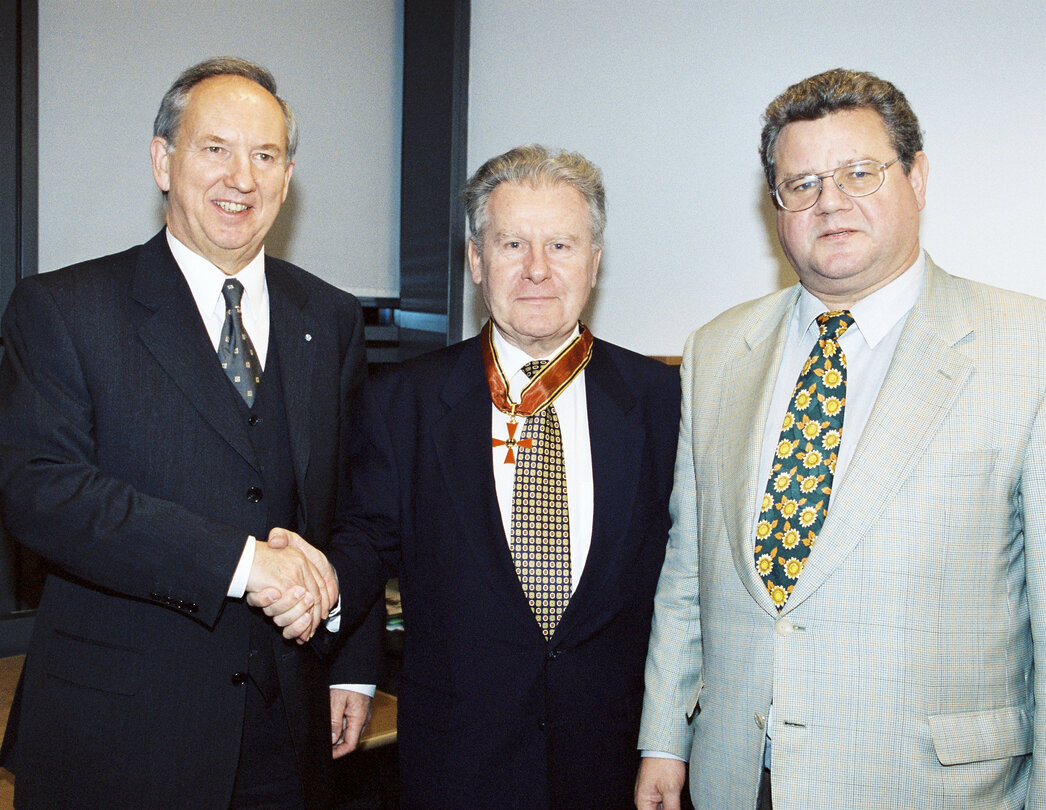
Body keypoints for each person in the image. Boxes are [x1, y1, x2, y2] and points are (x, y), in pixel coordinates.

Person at [635, 67, 1046, 810]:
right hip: (737, 776)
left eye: (860, 172)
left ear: (917, 177)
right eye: (803, 184)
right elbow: (688, 568)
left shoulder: (1028, 348)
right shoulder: (718, 349)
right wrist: (664, 739)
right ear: (777, 207)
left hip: (938, 789)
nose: (831, 202)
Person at [0, 57, 380, 808]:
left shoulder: (331, 319)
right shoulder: (64, 309)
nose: (242, 176)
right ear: (163, 161)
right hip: (116, 734)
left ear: (287, 174)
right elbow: (42, 491)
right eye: (215, 148)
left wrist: (350, 659)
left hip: (288, 733)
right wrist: (242, 564)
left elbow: (353, 507)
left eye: (265, 155)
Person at [311, 144, 679, 808]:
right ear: (477, 261)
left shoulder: (661, 402)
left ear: (595, 261)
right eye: (512, 244)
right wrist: (316, 590)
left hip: (612, 761)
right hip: (458, 760)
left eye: (562, 246)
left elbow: (686, 582)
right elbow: (365, 543)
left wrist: (667, 743)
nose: (537, 270)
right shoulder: (404, 403)